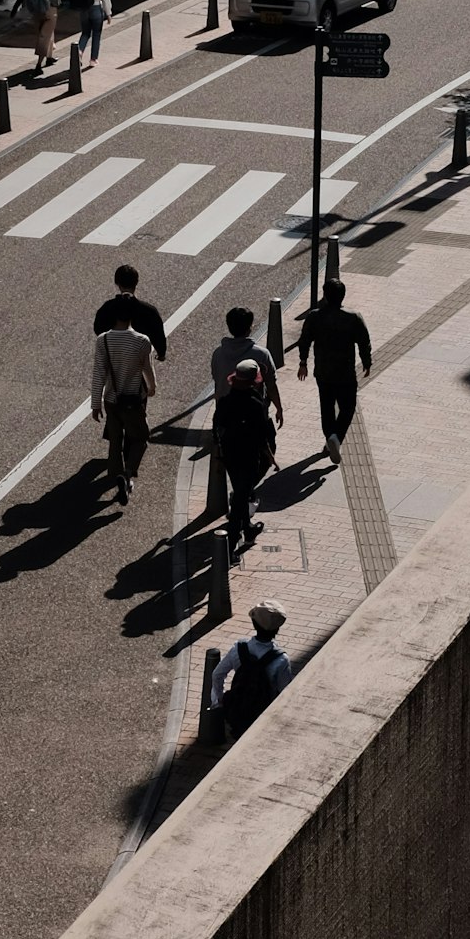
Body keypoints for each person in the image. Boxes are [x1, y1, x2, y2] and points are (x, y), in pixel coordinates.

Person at [297, 278, 372, 465]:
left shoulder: (315, 316)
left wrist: (303, 361)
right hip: (345, 371)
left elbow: (304, 340)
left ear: (325, 295)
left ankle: (331, 437)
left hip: (323, 371)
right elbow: (364, 342)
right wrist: (366, 362)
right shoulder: (353, 317)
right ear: (343, 296)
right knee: (347, 407)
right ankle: (336, 437)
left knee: (327, 407)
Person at [91, 294, 157, 505]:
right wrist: (152, 387)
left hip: (112, 399)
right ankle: (127, 474)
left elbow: (99, 373)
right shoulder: (141, 341)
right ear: (132, 317)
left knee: (115, 440)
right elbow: (147, 368)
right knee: (140, 438)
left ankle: (116, 475)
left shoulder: (103, 340)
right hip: (133, 400)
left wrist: (96, 403)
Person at [214, 359, 277, 559]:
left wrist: (219, 453)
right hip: (249, 457)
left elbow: (217, 429)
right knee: (240, 499)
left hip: (230, 456)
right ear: (254, 381)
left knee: (241, 494)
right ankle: (229, 548)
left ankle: (248, 529)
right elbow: (262, 436)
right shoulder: (256, 404)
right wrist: (270, 457)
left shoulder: (224, 402)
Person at [210, 599, 292, 740]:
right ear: (278, 629)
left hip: (237, 710)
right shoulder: (281, 659)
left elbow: (217, 674)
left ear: (254, 624)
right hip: (263, 715)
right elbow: (286, 692)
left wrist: (219, 701)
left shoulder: (239, 648)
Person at [211, 307, 283, 424]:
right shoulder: (262, 355)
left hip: (227, 413)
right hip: (255, 414)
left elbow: (218, 383)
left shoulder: (218, 354)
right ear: (249, 328)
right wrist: (279, 408)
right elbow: (271, 385)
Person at [93, 265, 167, 361]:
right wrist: (161, 354)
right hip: (138, 359)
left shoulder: (107, 307)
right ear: (136, 283)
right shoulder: (149, 310)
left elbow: (98, 328)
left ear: (117, 283)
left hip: (114, 357)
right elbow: (158, 335)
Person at [15, 0, 63, 76]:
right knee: (45, 36)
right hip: (50, 9)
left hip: (36, 10)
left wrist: (15, 7)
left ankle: (49, 57)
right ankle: (38, 65)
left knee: (47, 32)